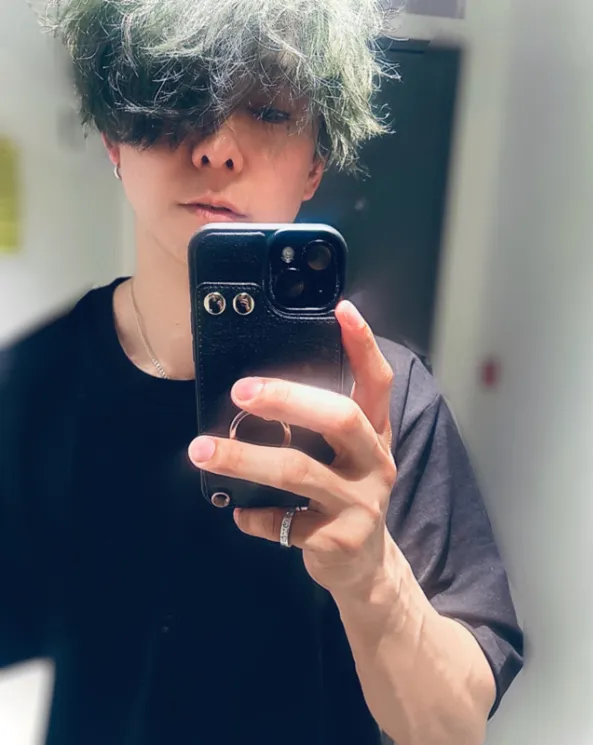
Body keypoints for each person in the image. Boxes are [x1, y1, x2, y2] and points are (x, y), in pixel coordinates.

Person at [0, 0, 523, 743]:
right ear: (115, 137)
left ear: (316, 162)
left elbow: (451, 728)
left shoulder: (385, 401)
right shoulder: (32, 385)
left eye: (270, 111)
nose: (217, 148)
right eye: (177, 98)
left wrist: (373, 580)